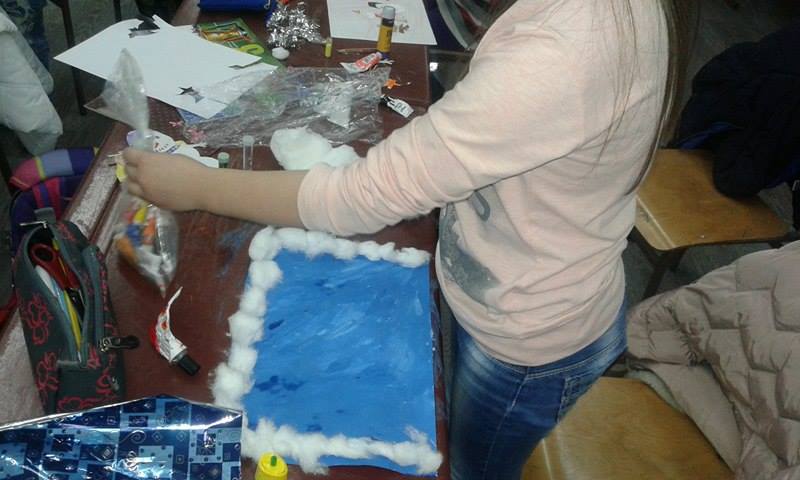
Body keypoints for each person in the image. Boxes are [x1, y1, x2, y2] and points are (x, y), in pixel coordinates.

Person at [124, 1, 688, 478]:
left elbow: (357, 197)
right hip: (506, 289)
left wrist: (198, 186)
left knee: (471, 469)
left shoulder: (566, 50)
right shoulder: (580, 28)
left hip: (531, 336)